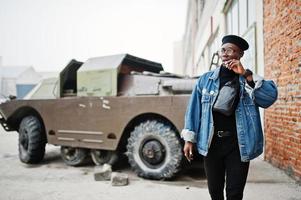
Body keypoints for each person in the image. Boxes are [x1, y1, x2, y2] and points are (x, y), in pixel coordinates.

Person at [181, 35, 278, 200]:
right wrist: (189, 139)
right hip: (211, 145)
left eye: (231, 50)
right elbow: (193, 110)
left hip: (238, 146)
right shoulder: (206, 80)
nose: (225, 53)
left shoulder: (247, 79)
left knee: (235, 194)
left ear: (239, 55)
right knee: (215, 192)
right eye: (223, 49)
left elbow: (269, 98)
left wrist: (247, 75)